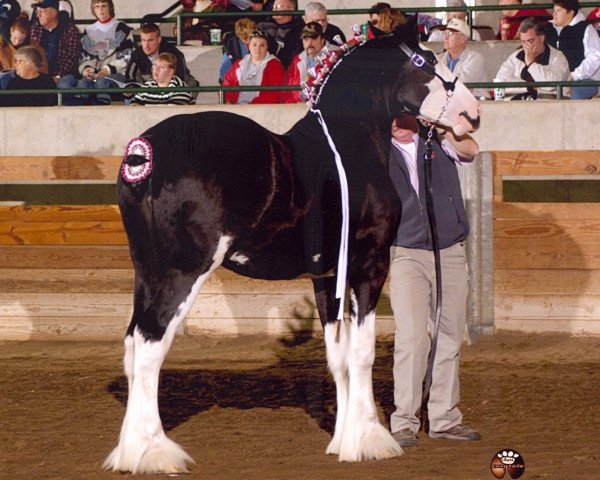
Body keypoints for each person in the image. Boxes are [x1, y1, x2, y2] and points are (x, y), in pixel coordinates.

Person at [388, 114, 480, 448]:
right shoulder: (379, 152)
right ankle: (404, 422)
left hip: (449, 249)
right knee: (412, 337)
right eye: (393, 116)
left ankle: (443, 419)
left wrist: (442, 130)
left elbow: (471, 149)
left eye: (404, 115)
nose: (398, 122)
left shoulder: (436, 141)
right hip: (406, 252)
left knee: (449, 335)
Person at [57, 0, 133, 105]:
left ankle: (102, 111)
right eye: (97, 7)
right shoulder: (89, 30)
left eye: (103, 6)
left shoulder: (122, 28)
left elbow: (127, 56)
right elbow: (83, 57)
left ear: (110, 7)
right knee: (83, 83)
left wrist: (107, 69)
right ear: (93, 9)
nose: (100, 10)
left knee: (102, 83)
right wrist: (87, 70)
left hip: (117, 73)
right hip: (95, 75)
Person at [495, 17, 569, 100]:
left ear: (541, 38)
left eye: (530, 41)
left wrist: (531, 63)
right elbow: (500, 83)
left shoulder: (558, 57)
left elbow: (552, 85)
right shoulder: (516, 56)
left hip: (547, 105)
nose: (527, 46)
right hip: (518, 104)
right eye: (523, 42)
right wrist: (529, 87)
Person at [544, 0, 600, 99]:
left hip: (585, 79)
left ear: (571, 13)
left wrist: (575, 76)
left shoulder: (585, 28)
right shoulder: (547, 29)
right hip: (554, 78)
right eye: (554, 10)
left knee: (577, 92)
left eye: (559, 10)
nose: (554, 13)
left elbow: (596, 57)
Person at [125, 23, 198, 98]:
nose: (146, 45)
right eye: (143, 40)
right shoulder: (137, 54)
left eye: (150, 40)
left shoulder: (172, 53)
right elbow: (130, 77)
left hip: (178, 88)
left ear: (159, 40)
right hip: (150, 89)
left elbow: (178, 78)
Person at [222, 29, 285, 104]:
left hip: (260, 109)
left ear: (267, 47)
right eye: (254, 44)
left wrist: (251, 106)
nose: (257, 49)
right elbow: (227, 84)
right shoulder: (239, 64)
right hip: (236, 107)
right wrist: (229, 100)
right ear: (249, 46)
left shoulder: (275, 65)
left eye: (262, 45)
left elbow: (273, 95)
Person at [29, 0, 81, 82]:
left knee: (64, 84)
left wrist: (58, 76)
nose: (38, 15)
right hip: (40, 74)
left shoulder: (70, 30)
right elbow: (31, 54)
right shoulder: (35, 29)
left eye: (42, 11)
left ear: (54, 13)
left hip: (64, 75)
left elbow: (71, 57)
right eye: (37, 12)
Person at [437, 18, 488, 98]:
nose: (446, 38)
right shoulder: (438, 58)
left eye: (450, 34)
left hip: (476, 103)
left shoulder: (476, 58)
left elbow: (460, 84)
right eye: (445, 33)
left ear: (463, 39)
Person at [286, 21, 326, 103]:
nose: (309, 43)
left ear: (322, 41)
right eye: (306, 39)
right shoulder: (297, 60)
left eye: (314, 38)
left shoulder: (333, 57)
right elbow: (287, 90)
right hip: (296, 107)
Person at [257, 0, 304, 69]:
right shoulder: (262, 25)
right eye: (274, 6)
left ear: (291, 9)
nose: (275, 9)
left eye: (279, 6)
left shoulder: (300, 30)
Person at [219, 18, 256, 83]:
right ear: (239, 36)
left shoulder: (261, 43)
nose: (248, 40)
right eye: (245, 37)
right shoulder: (232, 47)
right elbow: (224, 74)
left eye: (251, 35)